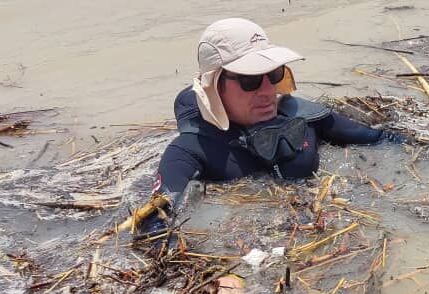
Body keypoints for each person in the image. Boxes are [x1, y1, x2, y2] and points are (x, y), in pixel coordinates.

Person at [136, 18, 407, 242]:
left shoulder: (306, 117)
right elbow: (153, 226)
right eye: (250, 80)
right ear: (214, 85)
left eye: (273, 74)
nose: (267, 90)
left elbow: (385, 140)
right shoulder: (192, 150)